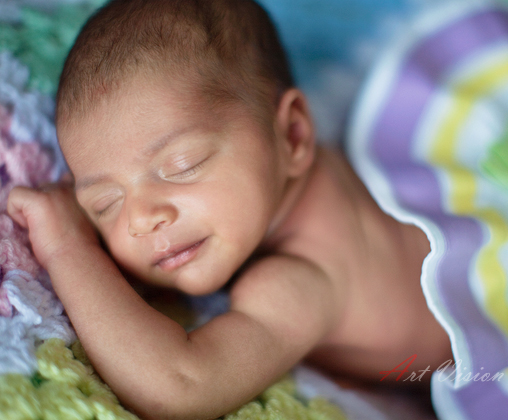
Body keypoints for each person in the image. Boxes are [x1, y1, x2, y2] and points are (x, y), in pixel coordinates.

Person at [6, 0, 452, 418]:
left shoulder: (298, 279)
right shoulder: (299, 172)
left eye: (183, 165)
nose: (141, 218)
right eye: (104, 205)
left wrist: (67, 246)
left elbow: (180, 384)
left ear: (294, 135)